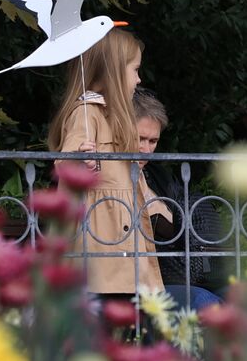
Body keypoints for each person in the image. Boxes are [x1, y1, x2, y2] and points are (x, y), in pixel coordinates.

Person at [48, 29, 169, 302]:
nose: (139, 79)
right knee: (110, 320)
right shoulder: (87, 112)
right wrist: (80, 161)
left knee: (134, 325)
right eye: (135, 70)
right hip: (102, 248)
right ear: (114, 70)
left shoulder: (116, 116)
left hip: (125, 242)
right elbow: (65, 165)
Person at [133, 88, 227, 312]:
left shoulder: (157, 175)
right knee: (205, 303)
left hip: (188, 276)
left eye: (153, 141)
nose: (146, 151)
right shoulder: (110, 180)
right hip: (144, 284)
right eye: (140, 139)